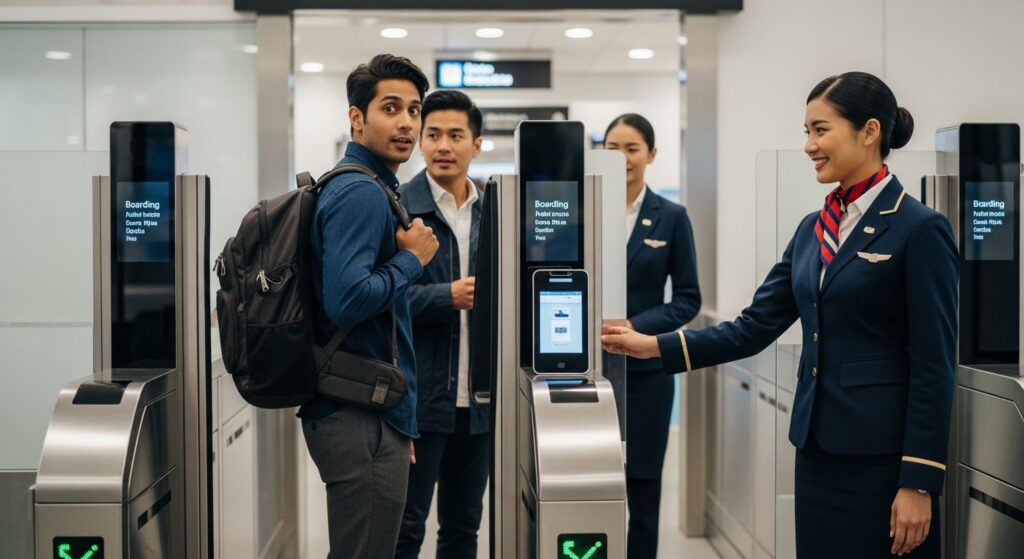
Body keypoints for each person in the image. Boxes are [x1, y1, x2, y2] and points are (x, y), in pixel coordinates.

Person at [602, 72, 957, 559]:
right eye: (806, 131)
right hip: (815, 452)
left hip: (882, 462)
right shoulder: (813, 228)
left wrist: (919, 480)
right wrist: (654, 345)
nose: (809, 145)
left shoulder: (920, 228)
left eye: (820, 129)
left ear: (870, 131)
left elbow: (934, 364)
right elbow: (754, 326)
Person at [298, 54, 439, 559]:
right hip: (357, 414)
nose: (406, 122)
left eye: (414, 109)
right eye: (391, 108)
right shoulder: (360, 191)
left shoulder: (372, 185)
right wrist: (412, 261)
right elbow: (348, 299)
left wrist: (400, 422)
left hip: (370, 408)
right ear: (356, 117)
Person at [394, 90, 489, 559]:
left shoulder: (497, 213)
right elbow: (374, 299)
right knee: (405, 528)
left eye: (456, 135)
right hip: (418, 400)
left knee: (463, 527)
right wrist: (444, 297)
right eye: (433, 135)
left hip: (479, 403)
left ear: (477, 143)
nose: (443, 146)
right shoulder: (398, 206)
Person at [603, 113, 701, 559]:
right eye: (611, 148)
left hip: (646, 376)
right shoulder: (579, 213)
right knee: (592, 490)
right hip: (589, 373)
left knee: (643, 498)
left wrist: (636, 327)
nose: (621, 158)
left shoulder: (672, 217)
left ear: (651, 155)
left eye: (631, 148)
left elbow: (687, 299)